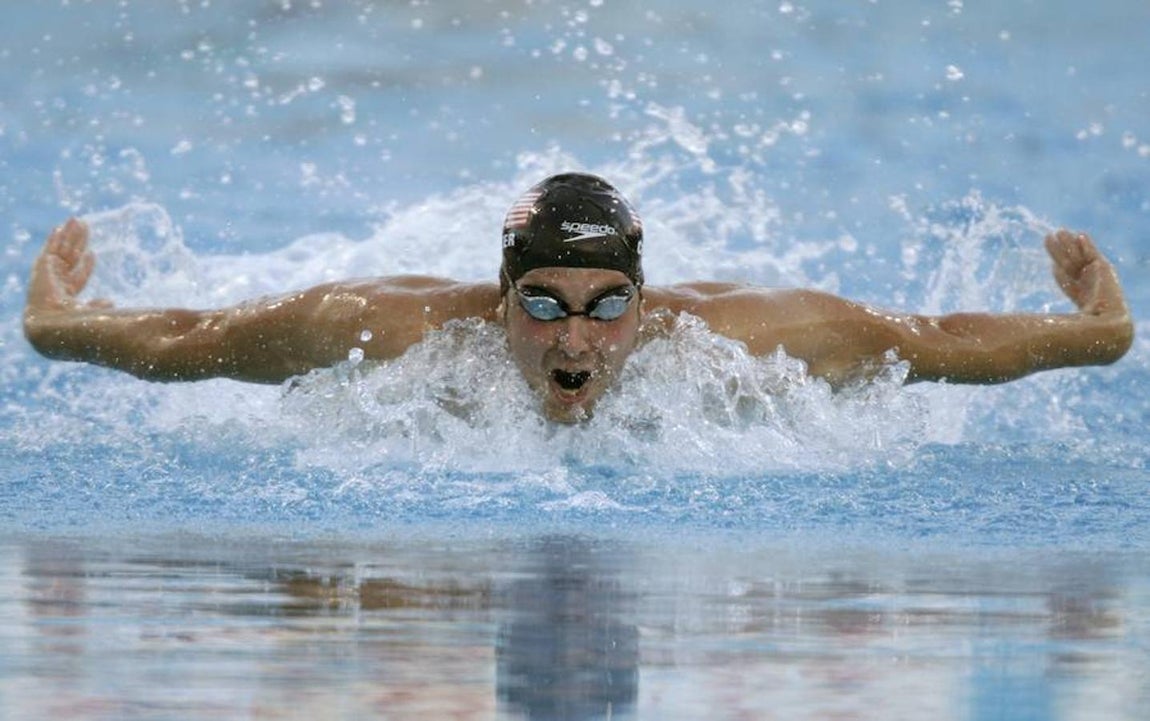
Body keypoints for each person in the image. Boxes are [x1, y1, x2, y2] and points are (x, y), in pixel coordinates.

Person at [23, 173, 1134, 423]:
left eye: (608, 307)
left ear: (645, 301)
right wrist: (53, 315)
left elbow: (940, 342)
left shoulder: (745, 338)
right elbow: (190, 340)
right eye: (544, 306)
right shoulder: (385, 330)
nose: (579, 339)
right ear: (500, 295)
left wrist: (1102, 327)